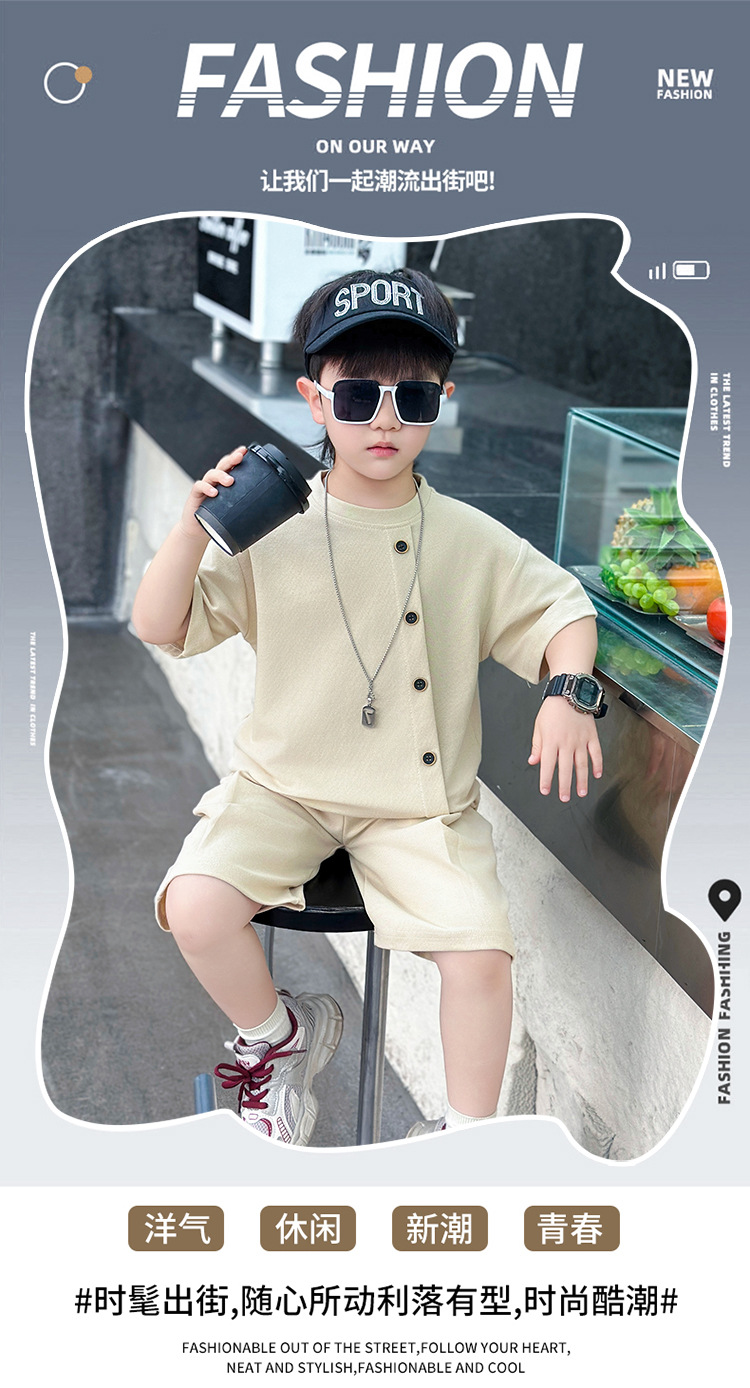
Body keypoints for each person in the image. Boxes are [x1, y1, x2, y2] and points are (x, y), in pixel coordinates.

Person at [131, 267, 604, 1146]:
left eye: (411, 397)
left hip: (418, 807)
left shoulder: (466, 536)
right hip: (283, 787)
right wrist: (193, 526)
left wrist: (568, 691)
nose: (384, 418)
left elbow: (563, 608)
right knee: (194, 907)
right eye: (357, 395)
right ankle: (280, 1037)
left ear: (441, 405)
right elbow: (162, 625)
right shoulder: (270, 524)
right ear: (314, 400)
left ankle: (464, 1142)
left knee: (481, 955)